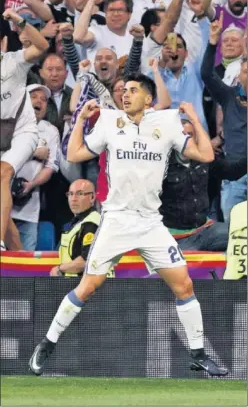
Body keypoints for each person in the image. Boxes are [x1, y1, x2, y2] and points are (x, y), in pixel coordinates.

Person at [29, 74, 227, 378]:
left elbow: (206, 154)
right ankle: (47, 343)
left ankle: (199, 355)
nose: (125, 94)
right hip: (116, 220)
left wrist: (196, 120)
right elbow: (74, 154)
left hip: (151, 222)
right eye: (124, 91)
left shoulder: (167, 122)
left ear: (148, 99)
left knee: (184, 285)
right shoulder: (109, 122)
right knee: (87, 287)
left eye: (133, 91)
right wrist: (81, 119)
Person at [0, 8, 49, 251]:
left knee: (3, 173)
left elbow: (41, 45)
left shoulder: (14, 61)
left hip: (22, 131)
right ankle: (18, 260)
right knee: (3, 210)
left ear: (3, 42)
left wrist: (20, 21)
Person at [160, 106, 228, 252]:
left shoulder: (205, 159)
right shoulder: (161, 163)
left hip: (206, 230)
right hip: (176, 238)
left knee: (240, 236)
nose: (187, 140)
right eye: (183, 135)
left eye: (190, 135)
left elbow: (232, 171)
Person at [200, 13, 247, 225]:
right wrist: (212, 43)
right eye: (245, 71)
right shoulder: (229, 96)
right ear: (239, 75)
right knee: (233, 232)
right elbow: (207, 74)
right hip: (234, 177)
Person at [11, 83, 60, 251]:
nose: (39, 101)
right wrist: (33, 152)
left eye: (44, 99)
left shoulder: (50, 131)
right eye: (33, 97)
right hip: (4, 205)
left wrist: (31, 185)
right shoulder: (7, 124)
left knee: (24, 264)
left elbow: (51, 166)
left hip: (29, 207)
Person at [50, 178, 100, 277]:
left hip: (89, 288)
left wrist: (60, 268)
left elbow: (87, 261)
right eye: (71, 194)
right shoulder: (77, 222)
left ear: (92, 197)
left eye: (80, 194)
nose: (73, 199)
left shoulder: (91, 223)